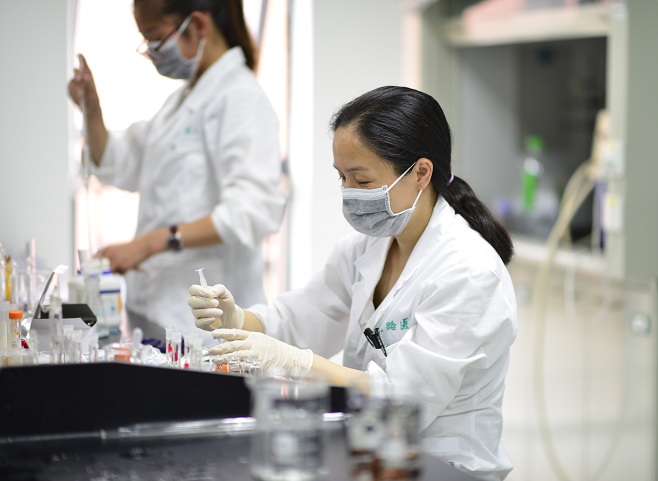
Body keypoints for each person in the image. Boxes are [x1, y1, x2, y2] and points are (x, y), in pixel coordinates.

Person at [188, 86, 518, 479]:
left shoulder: (468, 271)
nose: (348, 193)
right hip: (374, 455)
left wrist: (295, 362)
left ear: (421, 173)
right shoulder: (365, 249)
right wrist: (237, 319)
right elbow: (299, 319)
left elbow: (402, 399)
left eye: (361, 180)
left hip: (444, 468)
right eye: (341, 177)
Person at [67, 0, 285, 336]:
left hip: (207, 327)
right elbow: (120, 163)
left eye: (155, 38)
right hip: (158, 313)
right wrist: (92, 110)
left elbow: (251, 212)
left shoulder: (241, 98)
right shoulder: (182, 101)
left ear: (197, 25)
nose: (153, 52)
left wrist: (150, 243)